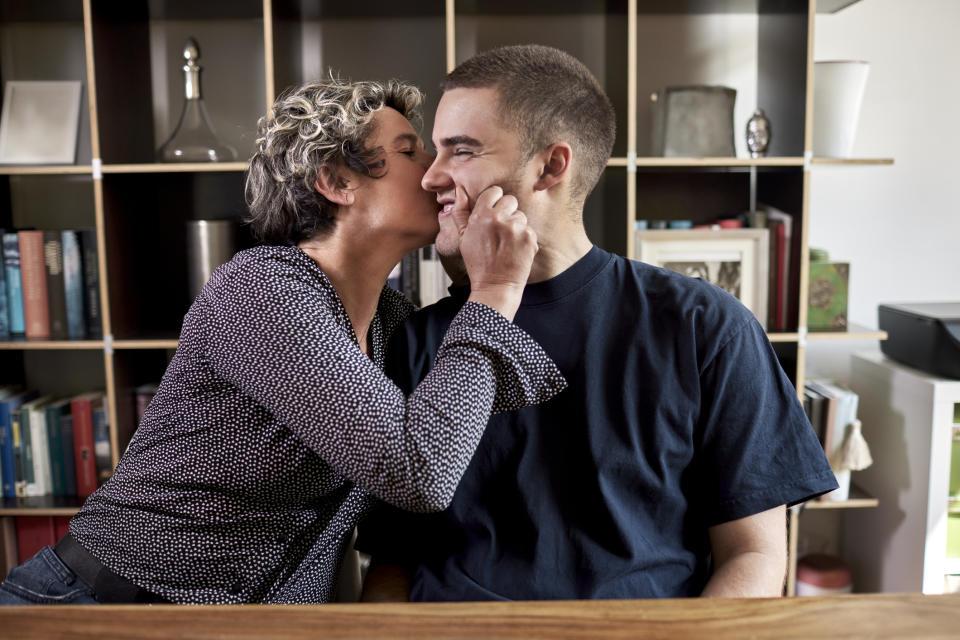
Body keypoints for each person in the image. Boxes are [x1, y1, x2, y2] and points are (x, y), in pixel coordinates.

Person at [0, 78, 566, 605]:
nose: (436, 173)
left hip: (244, 624)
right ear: (338, 181)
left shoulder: (393, 319)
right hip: (101, 607)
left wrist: (474, 271)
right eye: (411, 150)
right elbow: (417, 471)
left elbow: (449, 430)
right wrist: (494, 288)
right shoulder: (262, 289)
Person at [357, 45, 838, 601]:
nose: (430, 176)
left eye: (460, 151)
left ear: (551, 166)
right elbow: (394, 558)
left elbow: (754, 554)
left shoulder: (706, 326)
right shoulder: (415, 338)